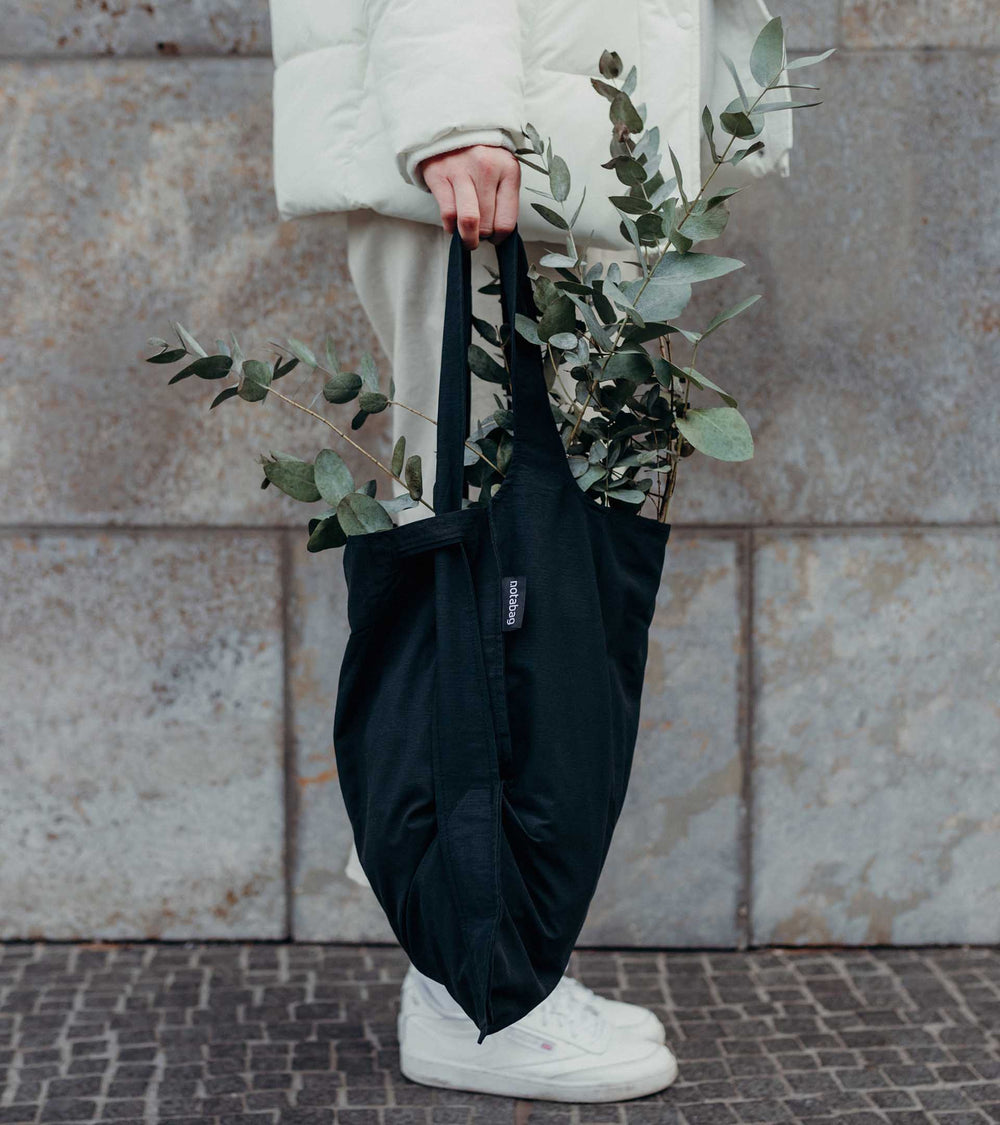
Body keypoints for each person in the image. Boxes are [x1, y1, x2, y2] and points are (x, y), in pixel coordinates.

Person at [268, 0, 793, 1103]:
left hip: (568, 151)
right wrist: (455, 109)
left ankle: (492, 957)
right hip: (488, 145)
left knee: (551, 594)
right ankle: (476, 991)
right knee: (490, 576)